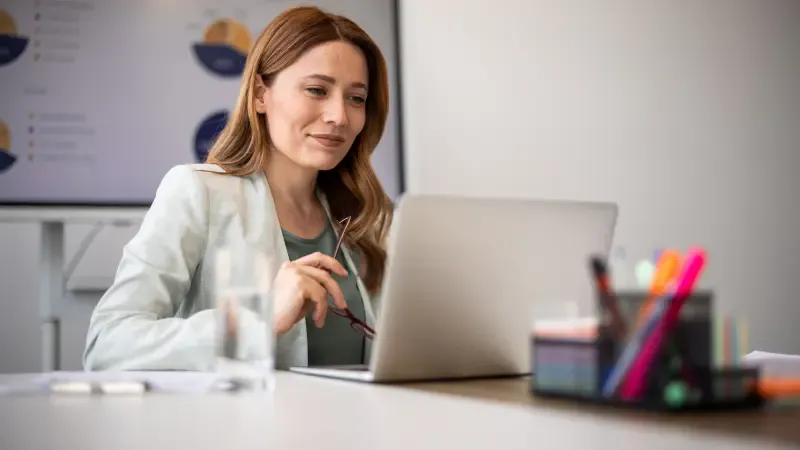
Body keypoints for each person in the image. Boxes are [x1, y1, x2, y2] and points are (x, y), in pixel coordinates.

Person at [83, 6, 394, 371]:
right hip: (240, 429)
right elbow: (108, 345)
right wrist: (259, 317)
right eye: (316, 90)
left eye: (356, 98)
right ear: (261, 94)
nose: (339, 116)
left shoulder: (369, 219)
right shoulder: (198, 192)